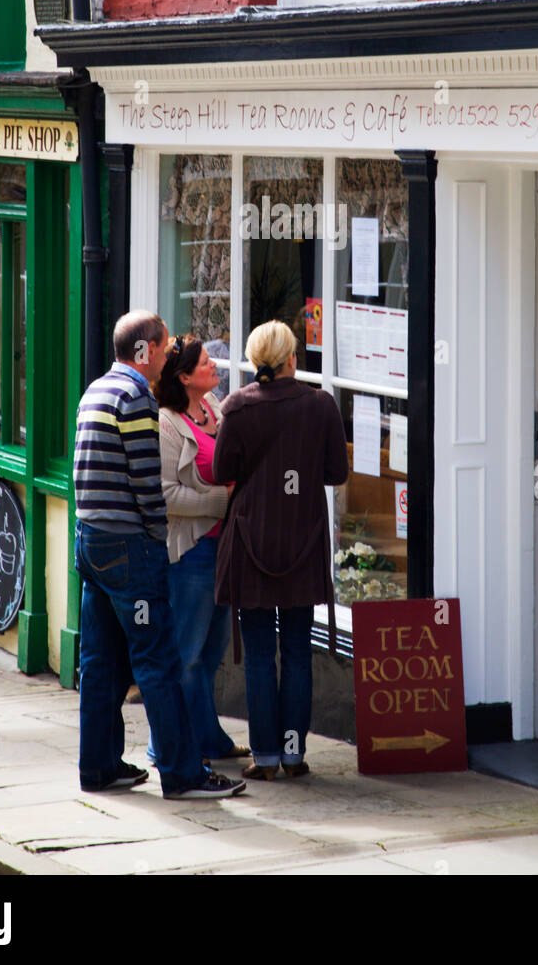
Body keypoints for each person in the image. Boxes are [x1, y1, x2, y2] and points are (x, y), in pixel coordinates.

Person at [73, 309, 245, 799]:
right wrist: (154, 540)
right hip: (130, 548)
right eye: (166, 346)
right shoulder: (136, 399)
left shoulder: (96, 391)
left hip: (91, 541)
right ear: (144, 350)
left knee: (100, 663)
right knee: (159, 661)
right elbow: (148, 486)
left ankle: (99, 767)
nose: (170, 355)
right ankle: (183, 773)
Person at [212, 320, 349, 780]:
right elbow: (336, 473)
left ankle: (267, 757)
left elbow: (221, 471)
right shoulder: (320, 405)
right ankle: (293, 755)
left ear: (254, 361)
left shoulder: (237, 407)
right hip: (302, 540)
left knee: (257, 655)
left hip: (251, 539)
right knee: (296, 652)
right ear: (293, 358)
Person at [152, 335, 249, 762]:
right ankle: (171, 746)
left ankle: (207, 738)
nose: (215, 367)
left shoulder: (212, 407)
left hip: (224, 549)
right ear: (184, 377)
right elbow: (165, 494)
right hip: (191, 553)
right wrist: (220, 501)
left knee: (211, 654)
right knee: (186, 655)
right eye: (207, 362)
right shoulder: (167, 424)